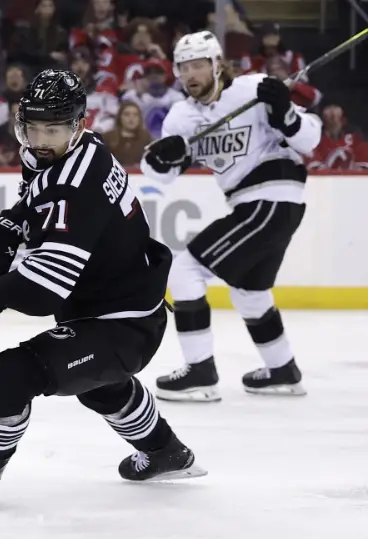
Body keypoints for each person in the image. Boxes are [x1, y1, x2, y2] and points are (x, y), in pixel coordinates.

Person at [0, 69, 205, 504]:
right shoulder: (74, 151)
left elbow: (44, 289)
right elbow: (40, 204)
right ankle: (167, 453)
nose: (39, 138)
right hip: (112, 308)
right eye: (32, 126)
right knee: (101, 386)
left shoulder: (75, 185)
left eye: (52, 128)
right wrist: (9, 224)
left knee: (8, 374)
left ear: (78, 125)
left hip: (123, 325)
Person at [141, 31, 318, 402]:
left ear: (217, 64)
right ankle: (283, 369)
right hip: (257, 207)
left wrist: (285, 114)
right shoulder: (184, 116)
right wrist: (159, 157)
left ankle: (200, 371)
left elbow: (310, 138)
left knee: (184, 267)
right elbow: (163, 173)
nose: (191, 74)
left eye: (199, 65)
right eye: (184, 67)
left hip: (272, 198)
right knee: (250, 292)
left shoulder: (254, 90)